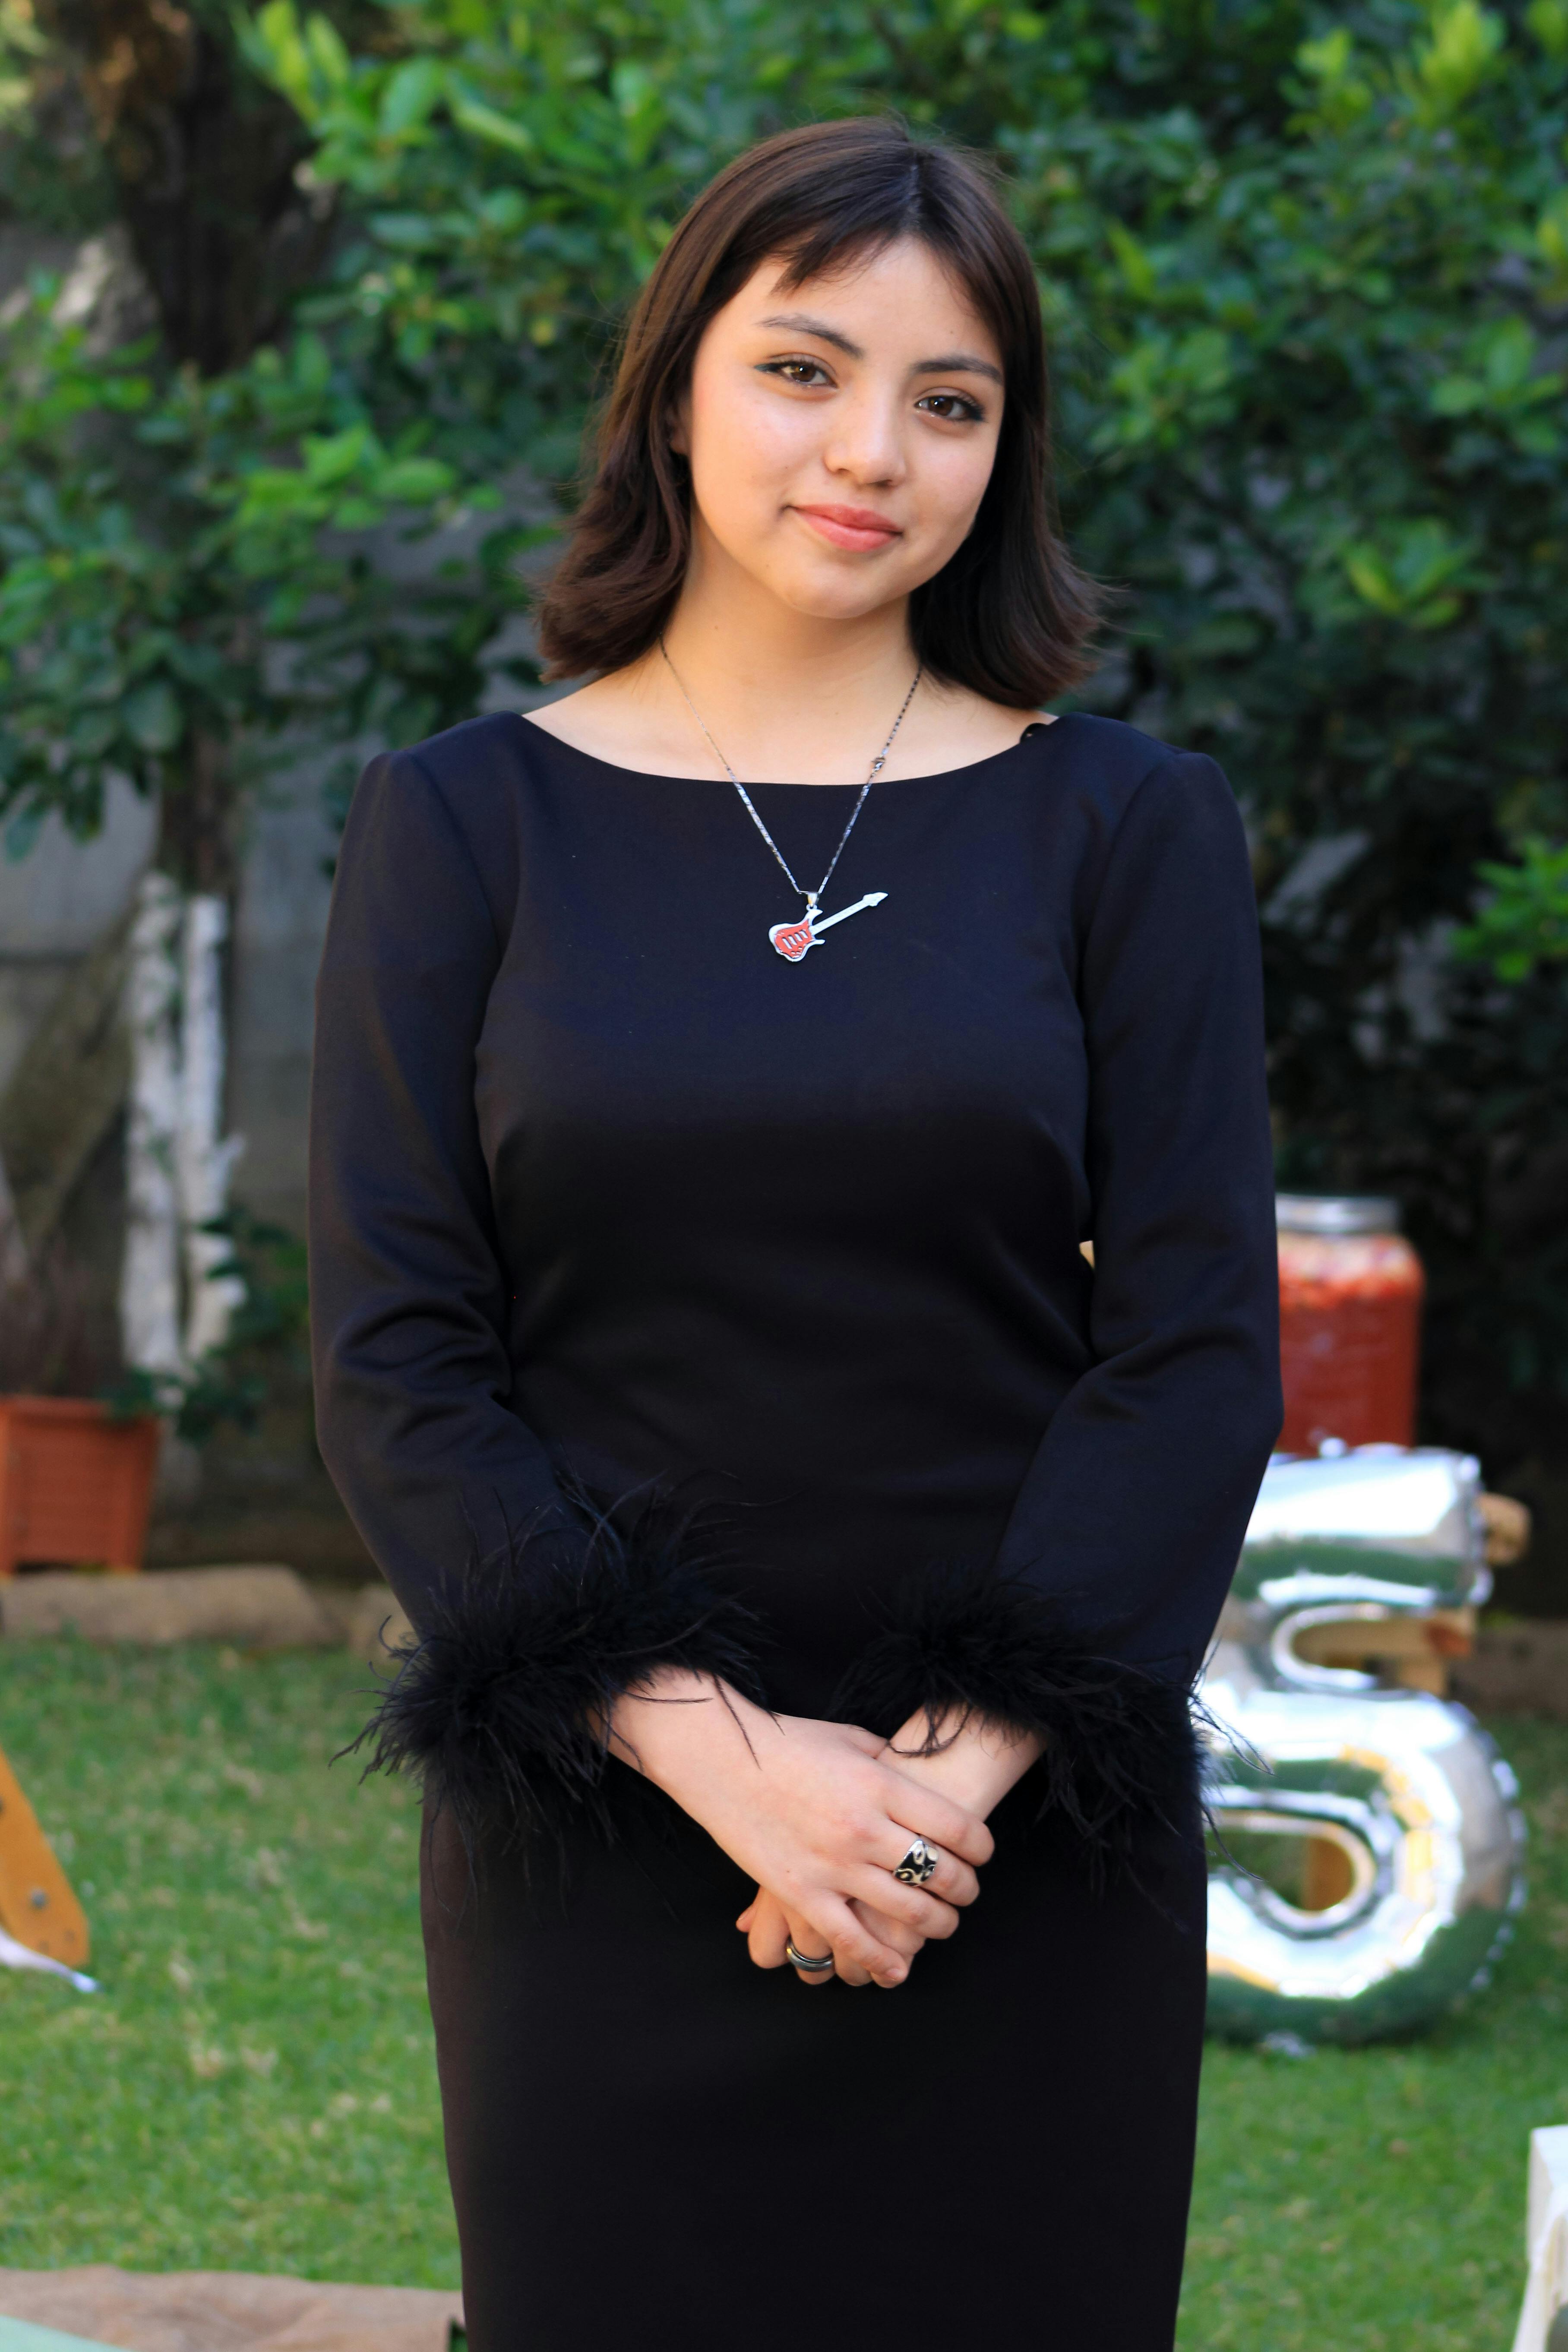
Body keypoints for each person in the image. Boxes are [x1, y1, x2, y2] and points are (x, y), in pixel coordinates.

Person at [309, 114, 1281, 2352]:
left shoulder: (1128, 827)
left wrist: (933, 1796)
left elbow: (1194, 1347)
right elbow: (396, 1356)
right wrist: (728, 1761)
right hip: (610, 1826)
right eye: (806, 370)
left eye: (951, 403)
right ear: (677, 388)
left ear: (1001, 453)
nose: (874, 452)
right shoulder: (462, 822)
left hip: (1021, 1848)